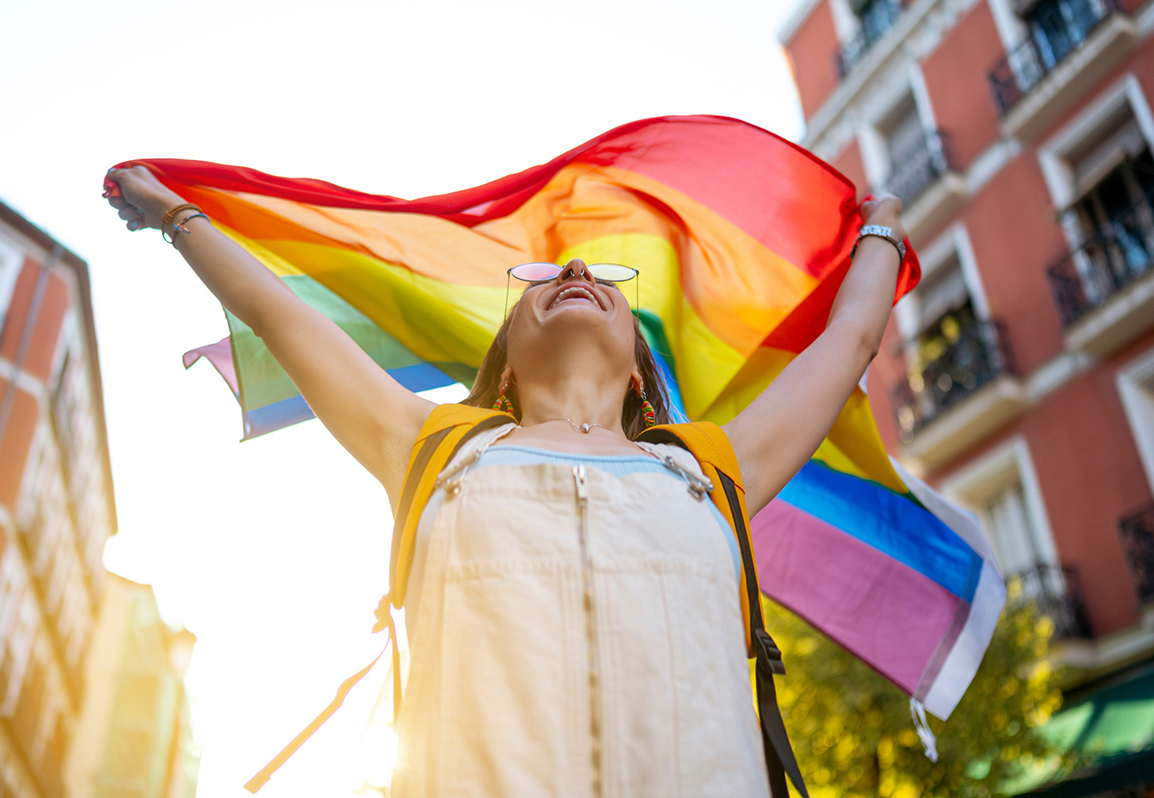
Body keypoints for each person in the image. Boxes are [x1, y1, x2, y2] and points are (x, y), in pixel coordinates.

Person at [106, 165, 907, 798]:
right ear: (508, 363)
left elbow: (851, 341)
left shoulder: (713, 469)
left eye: (598, 277)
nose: (578, 267)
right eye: (544, 281)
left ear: (638, 373)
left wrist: (883, 230)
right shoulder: (430, 447)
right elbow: (276, 312)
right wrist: (176, 216)